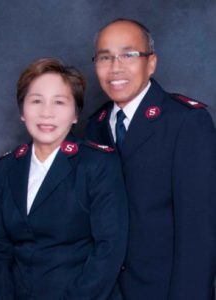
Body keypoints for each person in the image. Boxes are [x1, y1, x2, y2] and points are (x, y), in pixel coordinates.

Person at [86, 18, 216, 299]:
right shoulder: (93, 126)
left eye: (128, 55)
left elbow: (198, 233)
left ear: (152, 62)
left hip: (162, 290)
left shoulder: (185, 122)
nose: (115, 67)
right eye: (105, 57)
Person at [0, 58, 128, 299]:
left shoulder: (97, 164)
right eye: (36, 101)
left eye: (59, 102)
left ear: (75, 114)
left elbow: (109, 250)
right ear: (22, 111)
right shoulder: (6, 167)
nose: (46, 113)